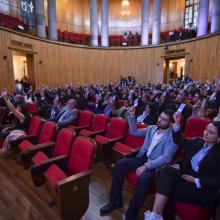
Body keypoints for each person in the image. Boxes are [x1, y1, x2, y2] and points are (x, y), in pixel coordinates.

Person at [100, 108, 177, 220]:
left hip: (154, 166)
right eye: (160, 117)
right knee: (119, 164)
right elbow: (134, 132)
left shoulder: (174, 137)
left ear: (170, 124)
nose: (159, 120)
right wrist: (131, 117)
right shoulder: (152, 128)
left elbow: (166, 157)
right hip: (142, 158)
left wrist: (146, 166)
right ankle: (116, 201)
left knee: (143, 179)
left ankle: (131, 215)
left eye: (164, 119)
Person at [144, 111, 220, 220]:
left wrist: (195, 181)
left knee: (166, 189)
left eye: (211, 132)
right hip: (187, 175)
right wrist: (177, 124)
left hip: (202, 187)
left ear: (218, 138)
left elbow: (217, 181)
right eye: (206, 129)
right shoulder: (198, 142)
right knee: (166, 170)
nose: (206, 133)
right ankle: (156, 215)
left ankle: (157, 216)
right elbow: (179, 140)